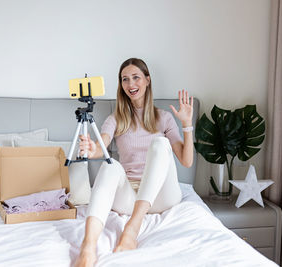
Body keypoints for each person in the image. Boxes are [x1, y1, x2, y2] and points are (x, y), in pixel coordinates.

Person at [75, 58, 194, 267]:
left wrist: (186, 124)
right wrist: (93, 149)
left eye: (136, 77)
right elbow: (102, 144)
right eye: (125, 80)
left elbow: (186, 160)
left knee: (159, 145)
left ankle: (133, 228)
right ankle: (88, 246)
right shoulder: (116, 119)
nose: (131, 84)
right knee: (110, 164)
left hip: (162, 197)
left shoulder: (164, 118)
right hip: (129, 196)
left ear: (147, 80)